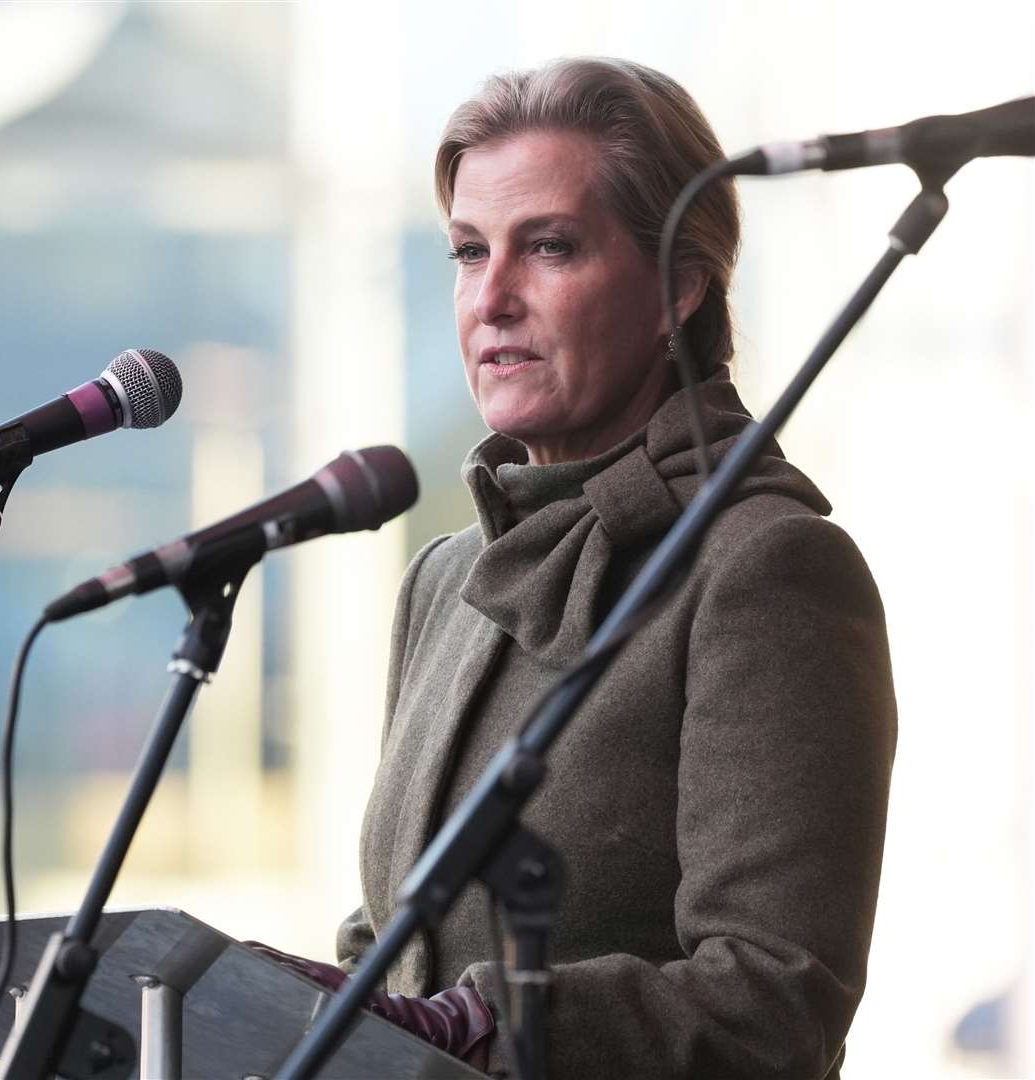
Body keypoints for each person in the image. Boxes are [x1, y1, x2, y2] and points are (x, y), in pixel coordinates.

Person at [256, 57, 898, 1079]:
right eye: (469, 253)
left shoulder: (768, 570)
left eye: (549, 247)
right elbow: (405, 937)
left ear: (679, 288)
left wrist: (480, 1027)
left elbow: (778, 1001)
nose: (493, 298)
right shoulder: (443, 576)